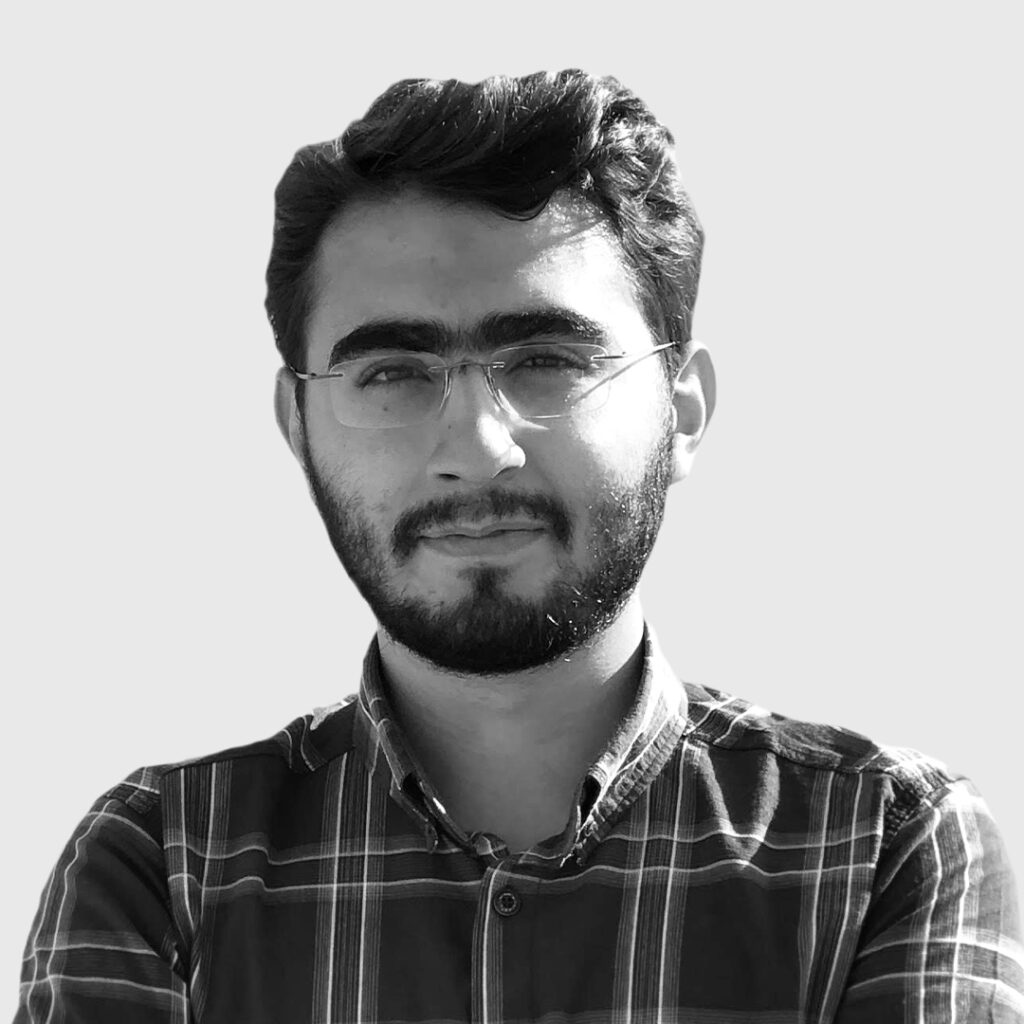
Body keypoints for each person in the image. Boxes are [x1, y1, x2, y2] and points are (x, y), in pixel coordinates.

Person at [15, 70, 1023, 1024]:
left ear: (682, 411)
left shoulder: (883, 845)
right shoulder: (161, 863)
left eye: (544, 360)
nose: (475, 449)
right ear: (297, 425)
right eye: (392, 372)